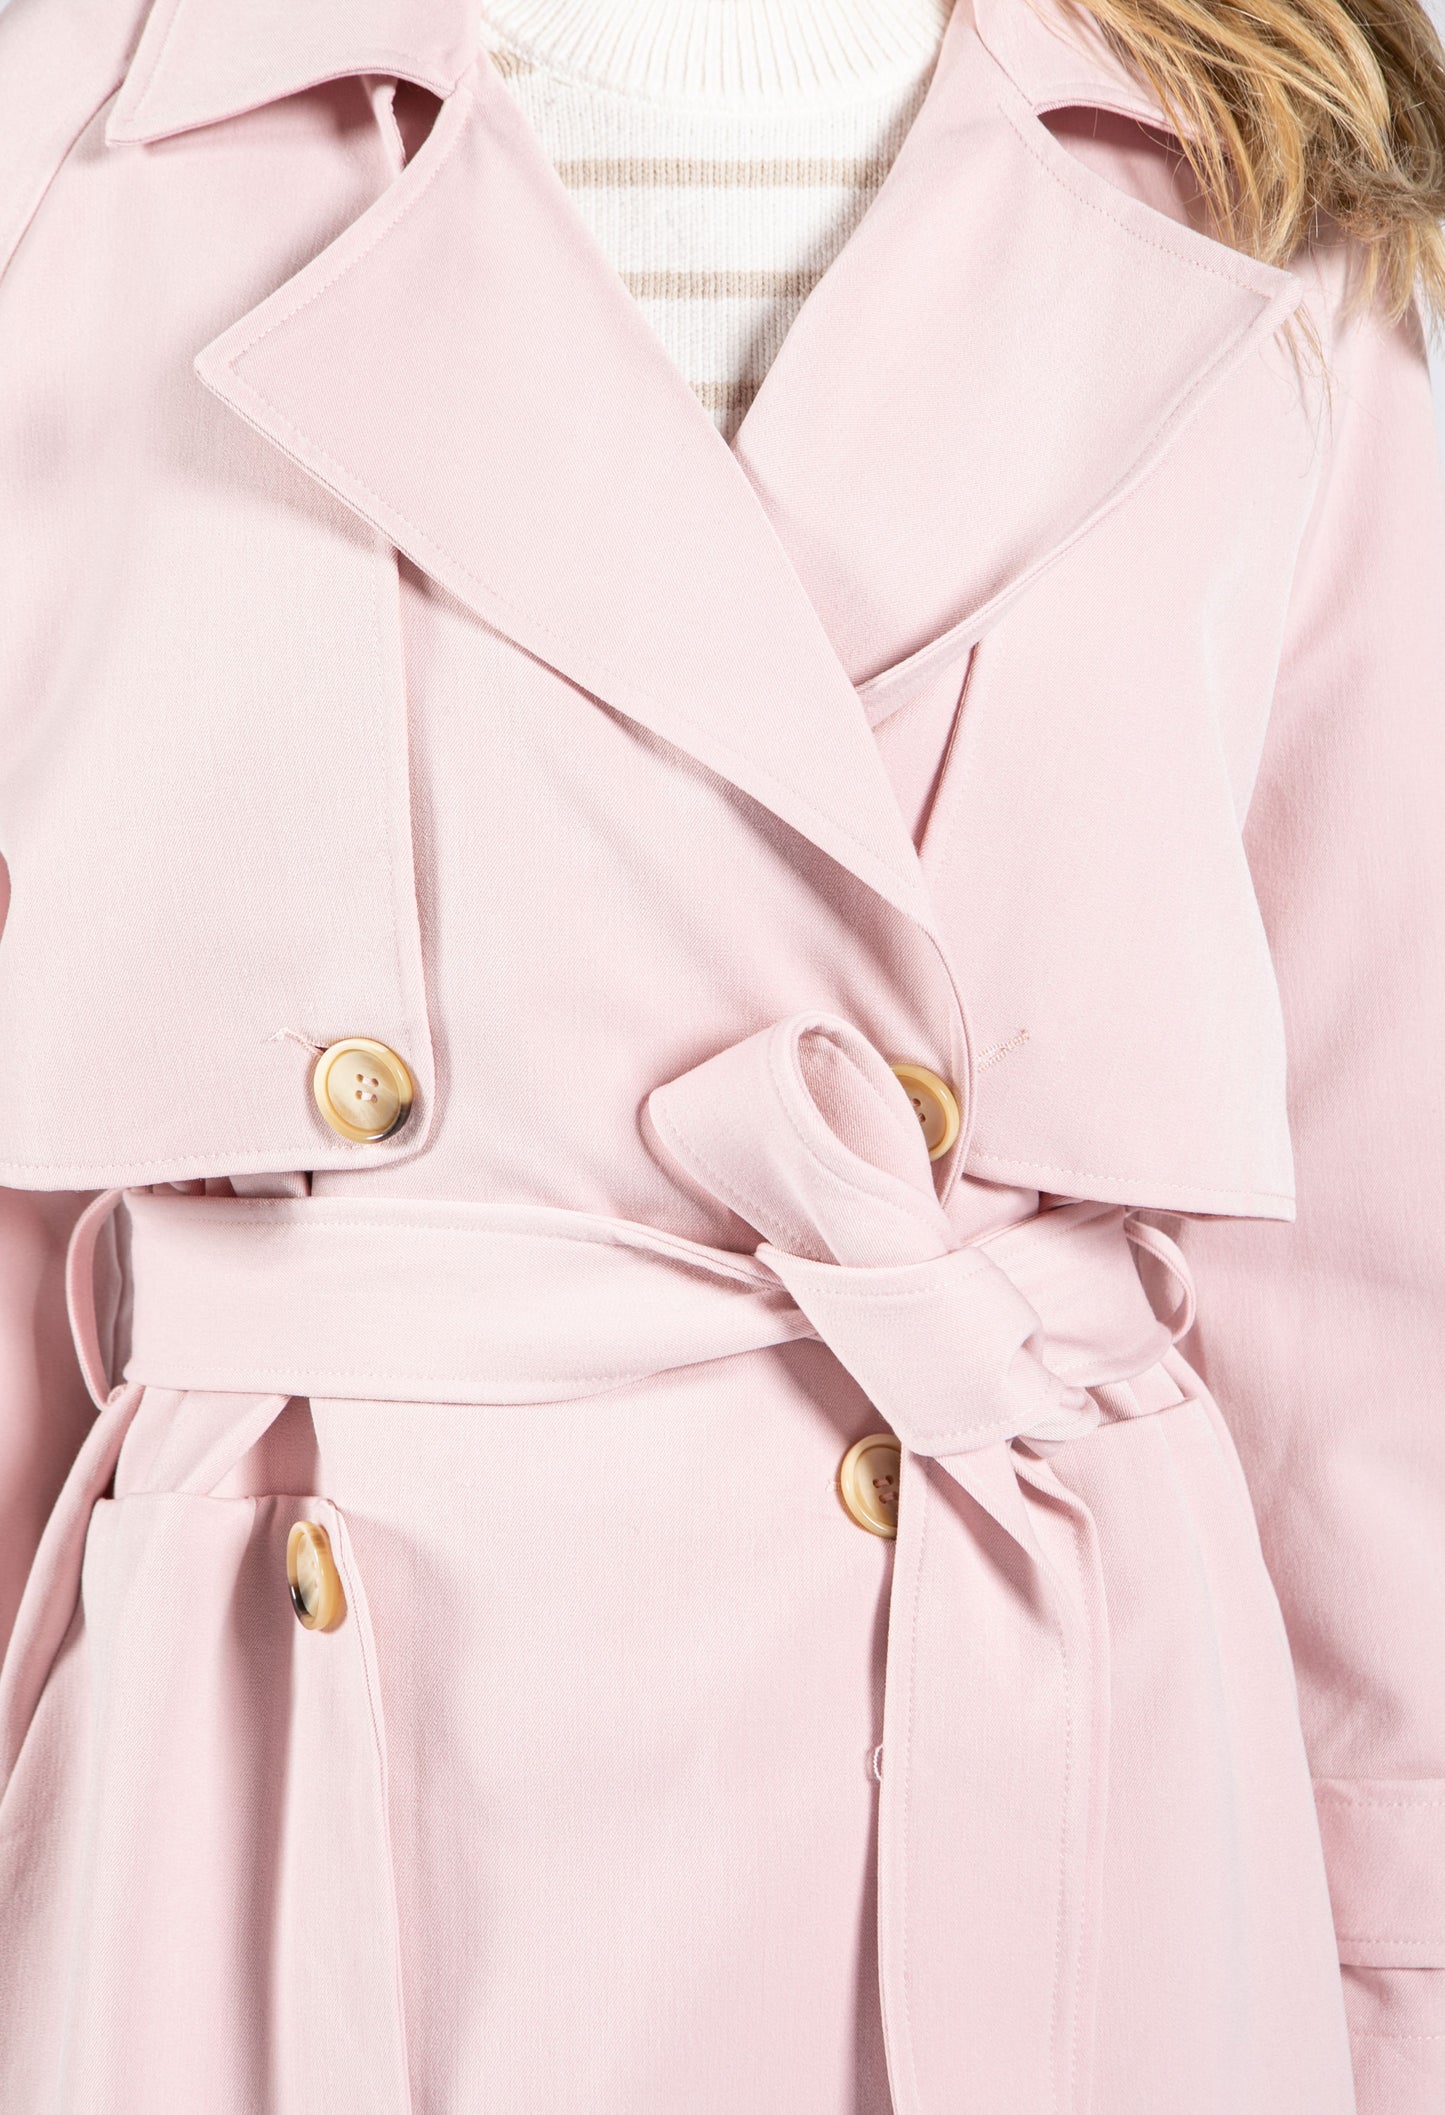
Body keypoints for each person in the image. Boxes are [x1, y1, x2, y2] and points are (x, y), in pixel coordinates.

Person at [1, 0, 1443, 2107]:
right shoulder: (75, 127)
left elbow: (1369, 1239)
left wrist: (1397, 1970)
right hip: (282, 1786)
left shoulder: (1281, 142)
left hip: (1068, 1779)